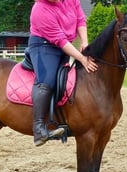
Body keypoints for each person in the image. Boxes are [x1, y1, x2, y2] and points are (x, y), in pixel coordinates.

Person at [29, 0, 98, 146]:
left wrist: (85, 42)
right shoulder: (40, 9)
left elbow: (80, 19)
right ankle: (39, 128)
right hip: (44, 45)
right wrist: (82, 59)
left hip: (65, 43)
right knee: (47, 80)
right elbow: (59, 40)